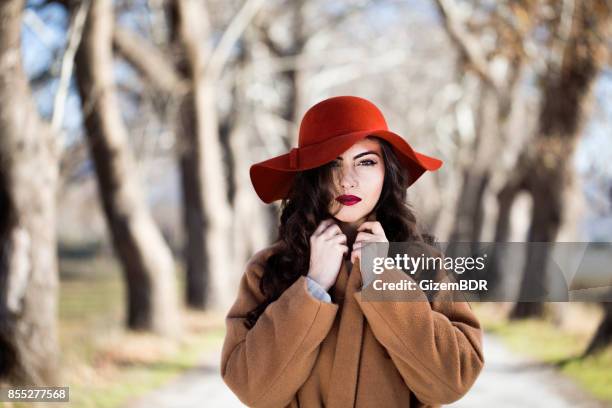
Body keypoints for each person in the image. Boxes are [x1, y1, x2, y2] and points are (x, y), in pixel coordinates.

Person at [220, 95, 484, 408]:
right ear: (311, 175)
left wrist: (383, 281)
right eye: (332, 163)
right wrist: (313, 286)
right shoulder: (268, 268)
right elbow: (254, 390)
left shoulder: (424, 265)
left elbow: (450, 383)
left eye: (366, 162)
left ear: (387, 172)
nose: (347, 180)